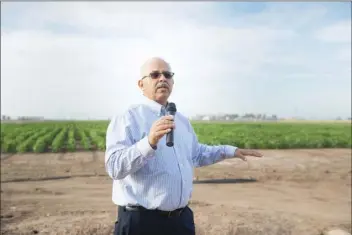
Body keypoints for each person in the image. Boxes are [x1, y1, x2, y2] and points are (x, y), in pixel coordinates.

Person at [105, 57, 263, 235]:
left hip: (180, 222)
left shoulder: (181, 120)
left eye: (167, 74)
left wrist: (230, 150)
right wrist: (149, 142)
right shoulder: (128, 117)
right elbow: (114, 167)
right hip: (142, 224)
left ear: (172, 81)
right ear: (141, 85)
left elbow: (196, 154)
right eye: (155, 75)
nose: (162, 79)